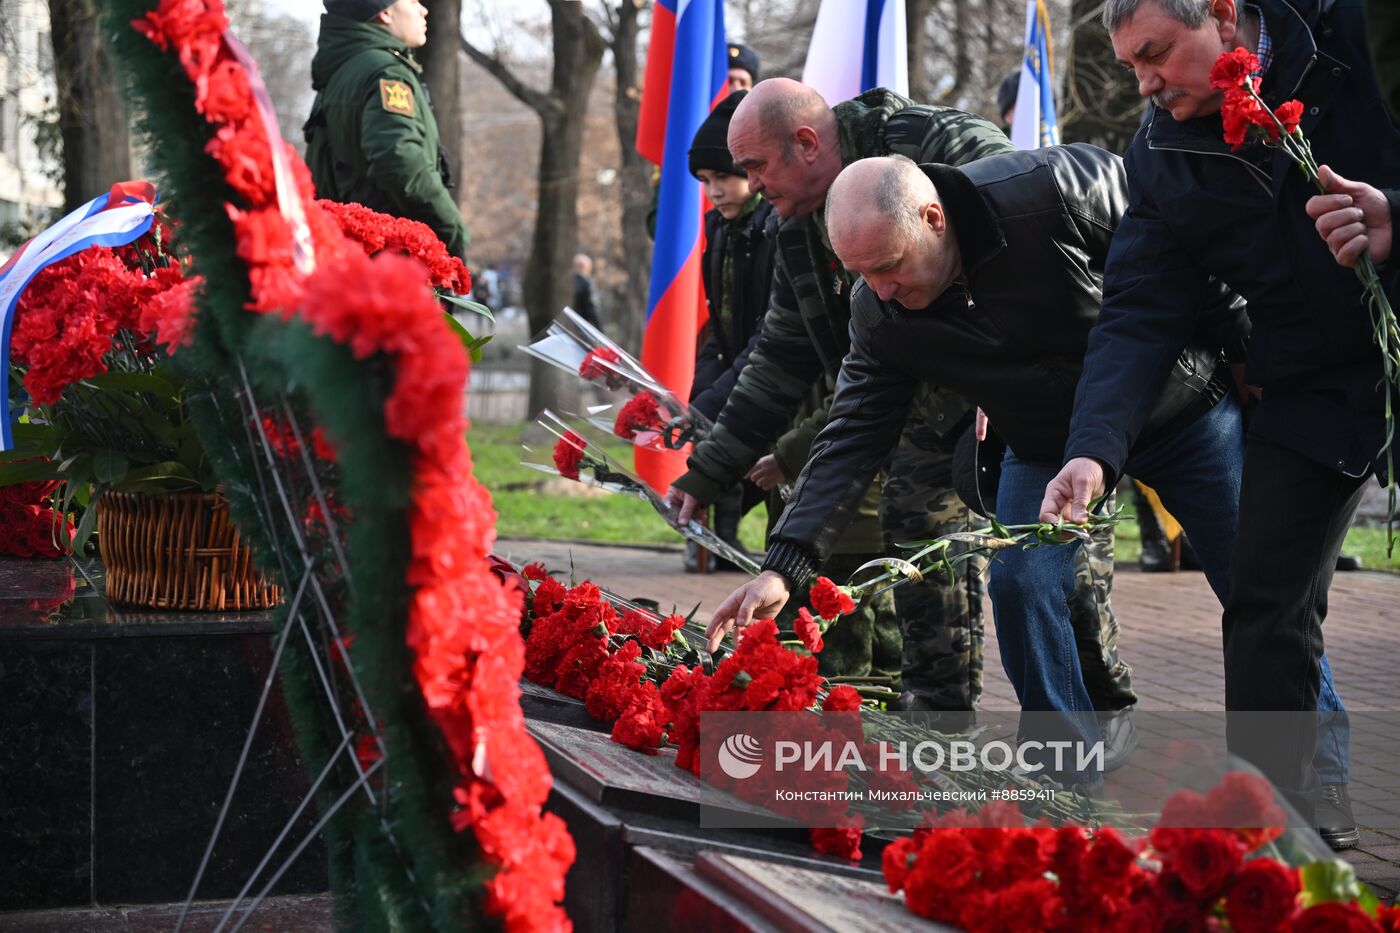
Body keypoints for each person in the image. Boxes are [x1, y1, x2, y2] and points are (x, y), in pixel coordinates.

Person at [704, 150, 1279, 784]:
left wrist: (1251, 356)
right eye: (863, 275)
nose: (884, 291)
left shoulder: (1056, 192)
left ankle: (1307, 777)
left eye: (891, 266)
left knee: (1259, 586)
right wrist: (785, 567)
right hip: (1044, 444)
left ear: (933, 217)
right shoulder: (879, 309)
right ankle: (1065, 769)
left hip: (1179, 408)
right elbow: (851, 436)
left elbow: (1188, 246)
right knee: (1019, 585)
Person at [665, 79, 1138, 735]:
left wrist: (991, 379)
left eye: (754, 167)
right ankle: (940, 716)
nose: (750, 184)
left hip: (1023, 389)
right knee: (918, 546)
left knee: (1055, 555)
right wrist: (712, 468)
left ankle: (1102, 699)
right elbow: (782, 350)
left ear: (805, 144)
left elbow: (1004, 242)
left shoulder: (938, 145)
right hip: (904, 393)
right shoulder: (797, 222)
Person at [1040, 0, 1396, 847]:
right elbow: (1135, 315)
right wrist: (1094, 450)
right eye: (1131, 66)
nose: (1145, 85)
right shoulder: (1160, 154)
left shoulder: (1360, 39)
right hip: (1308, 391)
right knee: (1264, 601)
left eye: (1156, 55)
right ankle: (1284, 825)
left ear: (1226, 18)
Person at [305, 0, 470, 261]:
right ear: (385, 12)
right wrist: (451, 227)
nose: (423, 9)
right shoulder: (386, 73)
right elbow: (397, 159)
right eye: (414, 1)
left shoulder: (344, 70)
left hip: (351, 252)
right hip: (392, 257)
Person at [571, 253, 600, 328]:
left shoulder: (568, 283)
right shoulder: (587, 284)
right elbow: (591, 309)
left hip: (570, 323)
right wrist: (599, 328)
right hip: (583, 324)